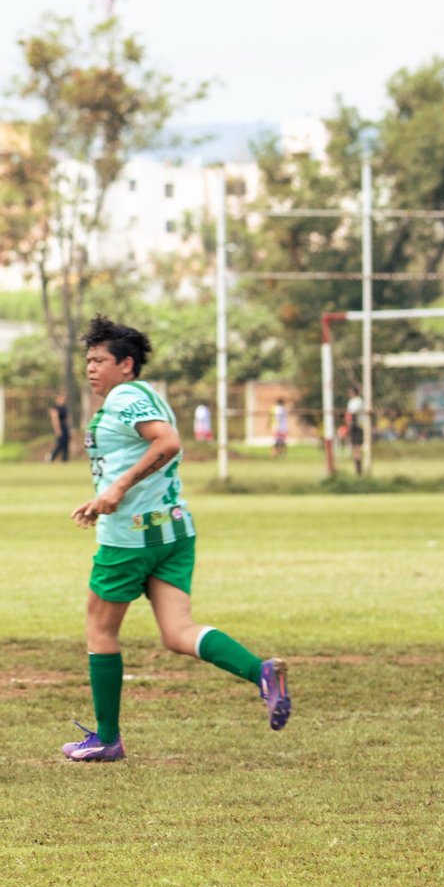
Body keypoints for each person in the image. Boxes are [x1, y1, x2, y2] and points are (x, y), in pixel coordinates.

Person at [64, 316, 291, 762]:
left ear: (126, 364)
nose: (90, 368)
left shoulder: (126, 395)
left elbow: (167, 444)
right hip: (172, 531)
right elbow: (146, 451)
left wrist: (117, 489)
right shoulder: (143, 397)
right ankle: (261, 672)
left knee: (100, 628)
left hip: (132, 538)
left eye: (99, 360)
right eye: (87, 360)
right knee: (178, 632)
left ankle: (107, 738)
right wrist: (103, 496)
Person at [48, 394, 71, 462]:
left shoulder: (65, 407)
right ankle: (51, 457)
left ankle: (65, 459)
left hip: (65, 427)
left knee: (66, 444)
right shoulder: (55, 408)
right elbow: (55, 419)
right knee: (59, 444)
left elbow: (67, 418)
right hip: (60, 427)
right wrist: (57, 429)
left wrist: (69, 428)